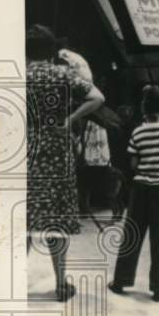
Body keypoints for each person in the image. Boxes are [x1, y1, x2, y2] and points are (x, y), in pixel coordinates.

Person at [25, 25, 105, 301]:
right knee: (56, 219)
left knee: (21, 218)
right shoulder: (62, 74)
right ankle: (60, 284)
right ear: (50, 50)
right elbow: (97, 98)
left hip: (25, 151)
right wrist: (70, 120)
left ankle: (11, 281)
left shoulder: (18, 76)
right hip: (57, 152)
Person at [109, 85, 159, 302]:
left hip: (140, 189)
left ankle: (120, 281)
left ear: (143, 108)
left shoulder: (138, 131)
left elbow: (133, 163)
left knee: (132, 234)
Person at [57, 46, 111, 215]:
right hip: (81, 115)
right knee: (81, 163)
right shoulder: (76, 62)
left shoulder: (66, 65)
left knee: (80, 163)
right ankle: (82, 204)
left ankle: (80, 204)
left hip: (77, 118)